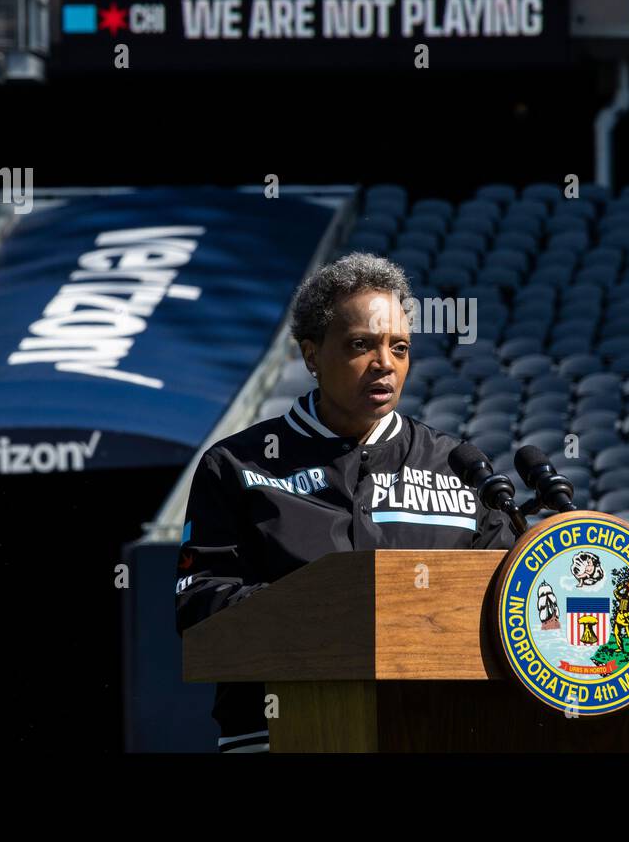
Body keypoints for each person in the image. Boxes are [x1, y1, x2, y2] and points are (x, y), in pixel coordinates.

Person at [174, 252, 518, 752]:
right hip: (276, 735)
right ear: (311, 356)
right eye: (362, 345)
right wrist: (331, 610)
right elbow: (198, 606)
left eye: (399, 348)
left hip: (439, 728)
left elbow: (507, 603)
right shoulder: (236, 465)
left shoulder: (459, 467)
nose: (385, 364)